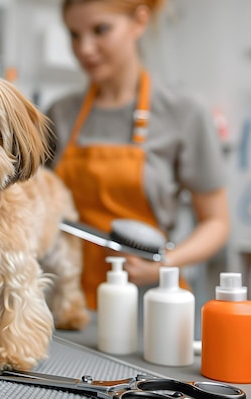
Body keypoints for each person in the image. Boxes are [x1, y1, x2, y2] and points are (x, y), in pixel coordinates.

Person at [47, 0, 230, 309]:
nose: (85, 49)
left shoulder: (183, 113)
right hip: (66, 300)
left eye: (100, 30)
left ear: (139, 22)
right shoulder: (60, 113)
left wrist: (165, 263)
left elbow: (216, 222)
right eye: (74, 35)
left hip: (151, 303)